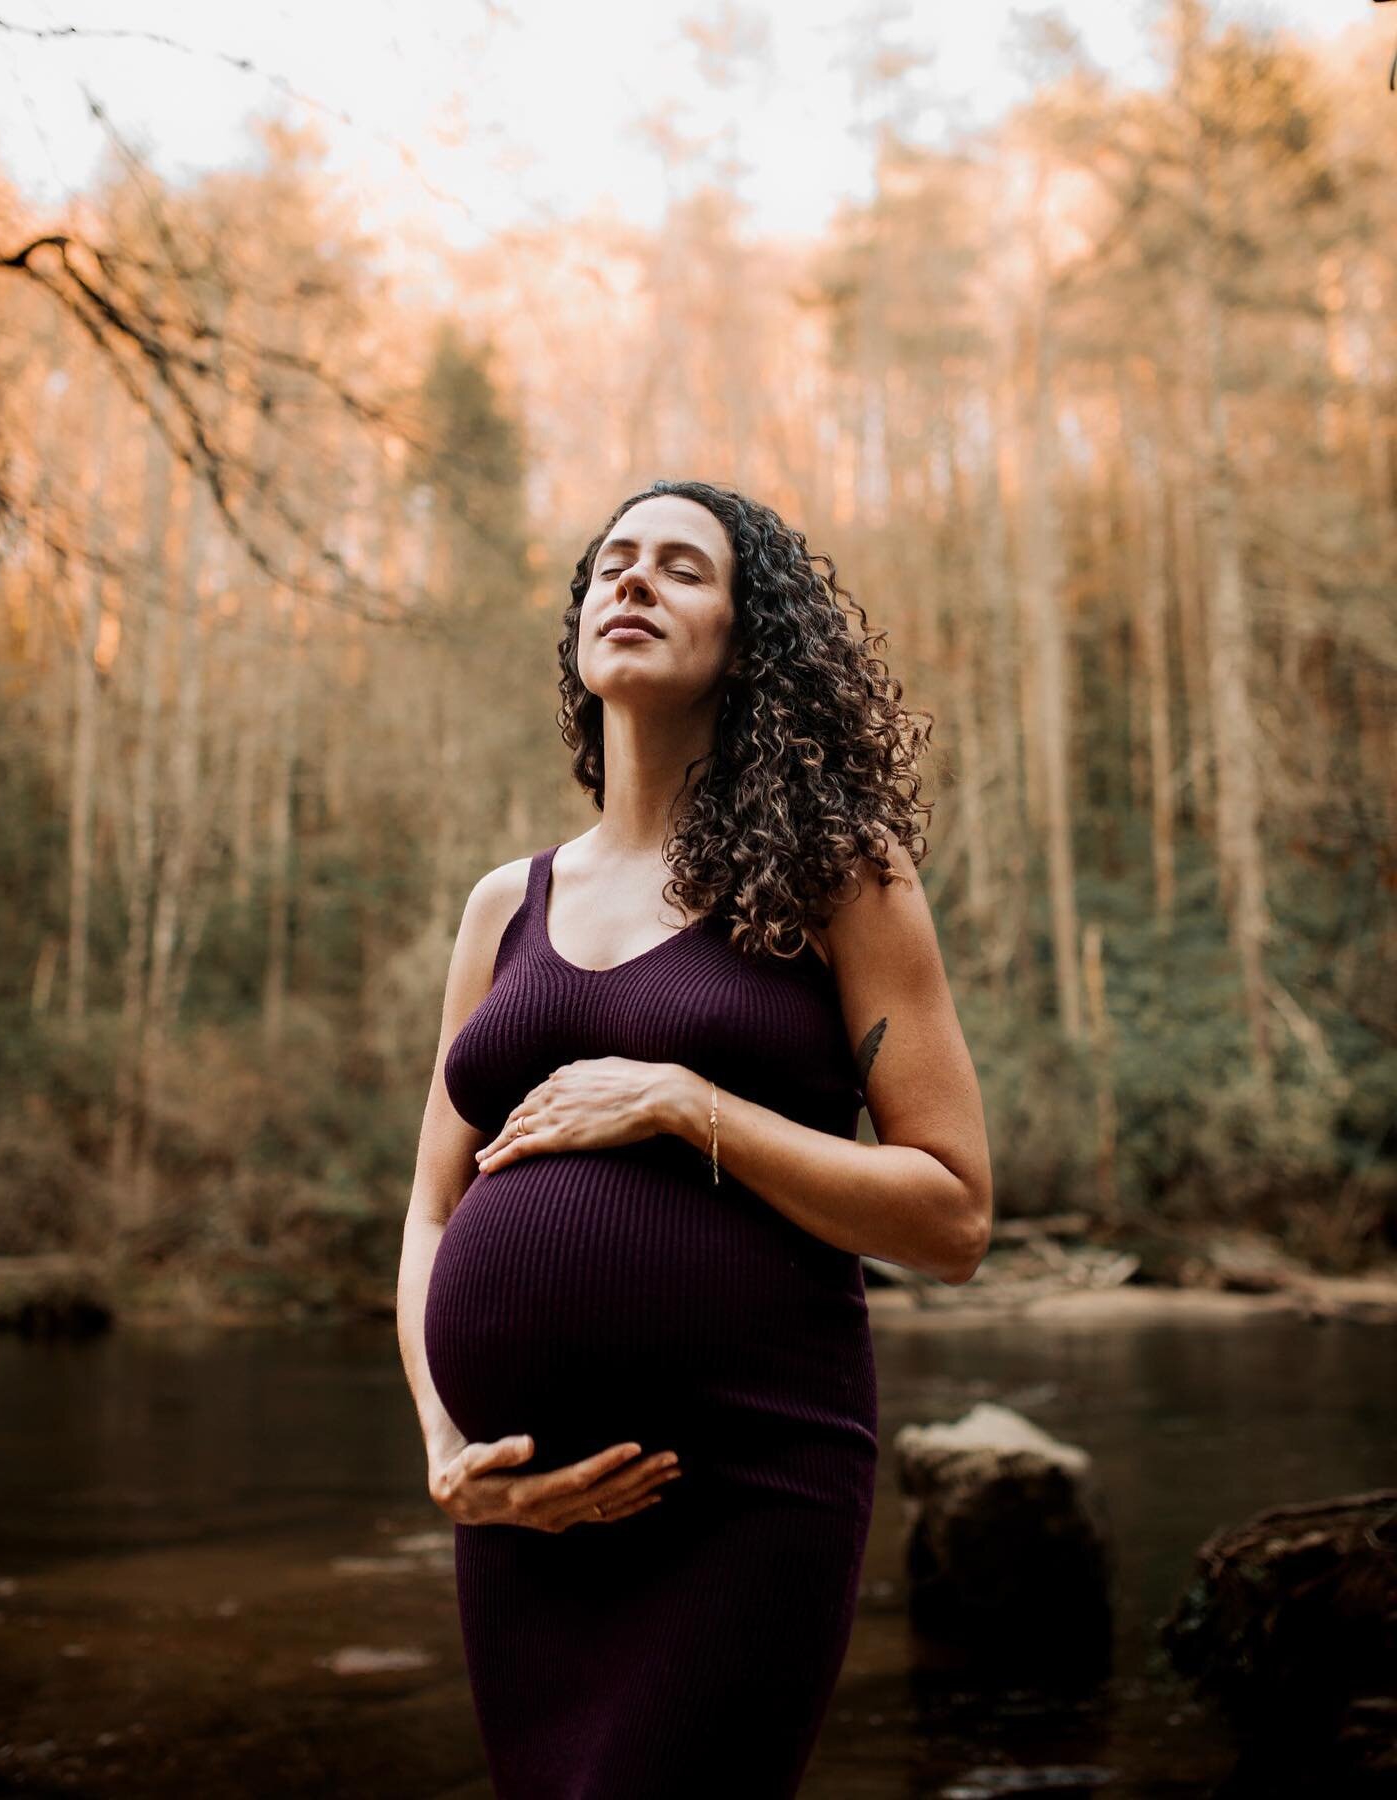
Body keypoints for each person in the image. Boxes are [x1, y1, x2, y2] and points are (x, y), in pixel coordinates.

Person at [395, 477, 992, 1798]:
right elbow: (433, 1212)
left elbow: (951, 1214)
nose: (633, 580)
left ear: (749, 635)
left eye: (680, 565)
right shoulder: (505, 908)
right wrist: (450, 1454)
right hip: (523, 1512)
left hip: (743, 1484)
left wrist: (687, 1101)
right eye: (613, 562)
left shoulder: (840, 878)